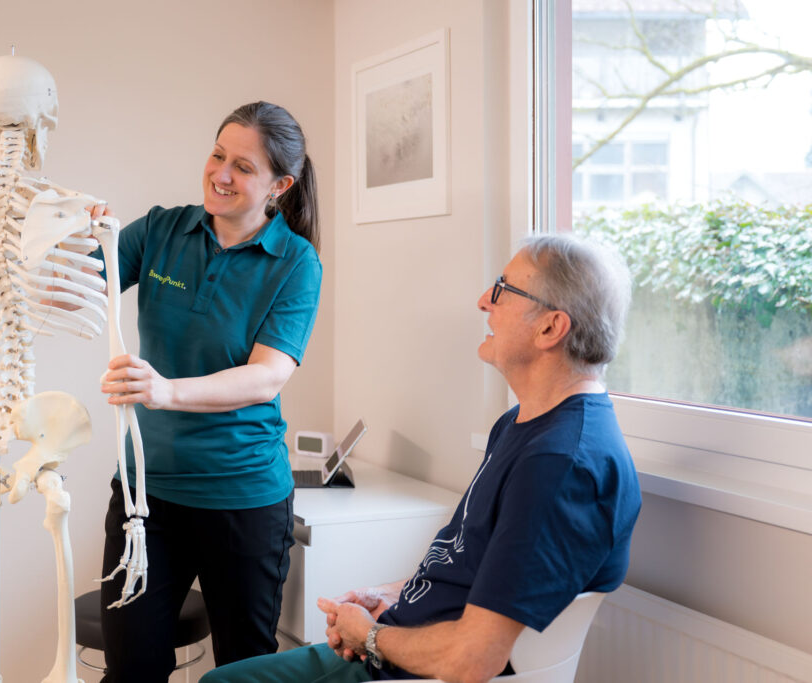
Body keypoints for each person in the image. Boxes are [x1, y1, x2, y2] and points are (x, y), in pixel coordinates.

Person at [199, 234, 643, 683]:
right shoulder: (522, 425)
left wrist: (370, 636)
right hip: (401, 643)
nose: (484, 301)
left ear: (550, 328)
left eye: (503, 289)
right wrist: (388, 596)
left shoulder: (560, 466)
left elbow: (473, 660)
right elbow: (470, 568)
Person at [94, 101, 322, 683]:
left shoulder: (295, 262)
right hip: (147, 499)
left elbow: (267, 374)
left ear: (281, 185)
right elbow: (67, 293)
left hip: (242, 500)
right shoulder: (161, 230)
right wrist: (79, 237)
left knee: (244, 673)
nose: (221, 174)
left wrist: (165, 391)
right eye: (218, 155)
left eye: (243, 166)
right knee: (131, 670)